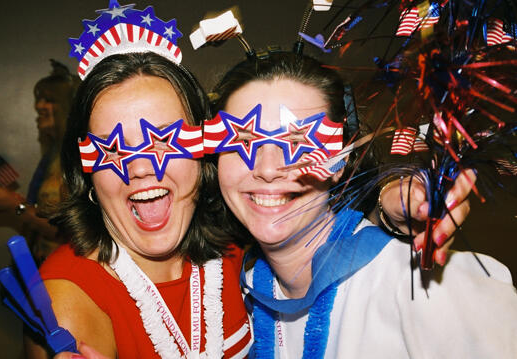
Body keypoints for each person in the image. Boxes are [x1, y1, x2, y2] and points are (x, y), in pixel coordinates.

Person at [209, 51, 517, 358]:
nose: (267, 168)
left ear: (340, 161)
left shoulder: (424, 289)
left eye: (297, 143)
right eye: (243, 142)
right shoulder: (228, 298)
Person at [26, 52, 252, 359]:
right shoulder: (67, 303)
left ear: (203, 152)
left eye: (165, 139)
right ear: (88, 175)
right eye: (112, 150)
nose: (142, 167)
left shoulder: (242, 249)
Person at [0, 60, 78, 263]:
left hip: (66, 273)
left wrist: (15, 204)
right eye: (39, 99)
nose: (39, 105)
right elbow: (43, 214)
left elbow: (70, 233)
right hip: (43, 266)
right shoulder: (52, 156)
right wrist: (5, 200)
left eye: (49, 99)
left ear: (67, 107)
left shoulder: (77, 158)